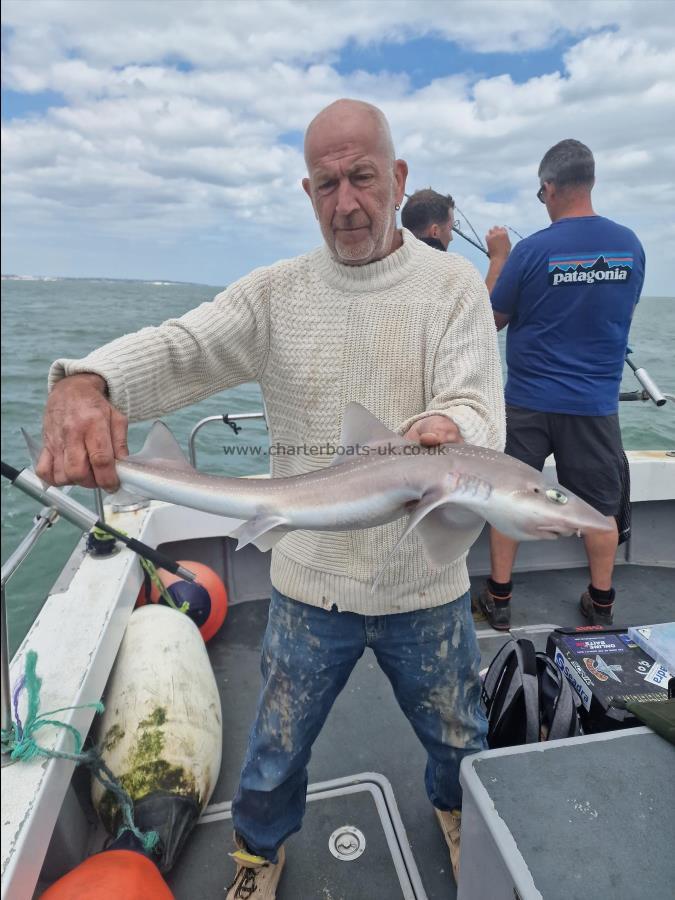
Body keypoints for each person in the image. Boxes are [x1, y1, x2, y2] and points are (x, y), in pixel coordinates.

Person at [38, 99, 505, 896]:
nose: (346, 202)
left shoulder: (452, 287)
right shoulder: (273, 294)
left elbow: (476, 404)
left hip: (422, 586)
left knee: (459, 733)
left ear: (397, 179)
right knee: (274, 750)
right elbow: (182, 347)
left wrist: (446, 427)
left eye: (362, 178)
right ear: (306, 191)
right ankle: (257, 852)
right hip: (307, 577)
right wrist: (90, 378)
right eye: (326, 185)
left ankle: (462, 814)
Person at [474, 139, 644, 632]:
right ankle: (601, 602)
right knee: (600, 509)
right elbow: (623, 312)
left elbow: (493, 320)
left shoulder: (530, 251)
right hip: (594, 405)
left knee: (509, 496)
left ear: (548, 188)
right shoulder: (630, 245)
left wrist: (500, 258)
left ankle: (499, 599)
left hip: (526, 402)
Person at [401, 188, 512, 290]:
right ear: (435, 231)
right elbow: (481, 309)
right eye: (450, 229)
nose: (451, 238)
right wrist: (498, 258)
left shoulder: (394, 267)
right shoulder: (454, 273)